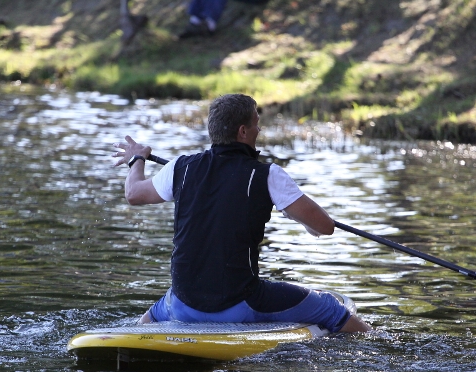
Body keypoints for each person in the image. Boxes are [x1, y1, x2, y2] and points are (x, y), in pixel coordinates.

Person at [113, 94, 371, 333]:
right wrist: (297, 215)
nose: (259, 130)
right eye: (256, 124)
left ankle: (132, 338)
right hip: (239, 304)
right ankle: (374, 339)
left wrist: (137, 159)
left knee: (150, 317)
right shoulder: (268, 175)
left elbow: (133, 193)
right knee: (330, 306)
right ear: (243, 131)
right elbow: (325, 226)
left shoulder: (180, 167)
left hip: (182, 305)